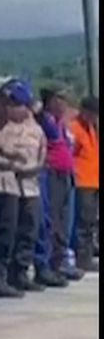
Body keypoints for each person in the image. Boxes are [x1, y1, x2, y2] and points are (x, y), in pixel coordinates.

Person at [0, 81, 46, 297]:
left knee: (7, 235)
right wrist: (9, 160)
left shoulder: (25, 127)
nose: (22, 110)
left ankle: (2, 278)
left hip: (12, 185)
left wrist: (11, 161)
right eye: (16, 105)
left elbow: (36, 155)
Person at [37, 88, 81, 284]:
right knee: (52, 219)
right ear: (51, 101)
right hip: (51, 173)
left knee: (64, 219)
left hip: (66, 173)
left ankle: (61, 260)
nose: (64, 104)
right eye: (60, 99)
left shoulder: (61, 123)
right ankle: (48, 263)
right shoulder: (44, 120)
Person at [72, 96, 99, 274]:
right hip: (82, 181)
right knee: (83, 222)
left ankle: (88, 254)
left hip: (94, 179)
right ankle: (82, 258)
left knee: (91, 221)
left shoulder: (91, 128)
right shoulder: (75, 128)